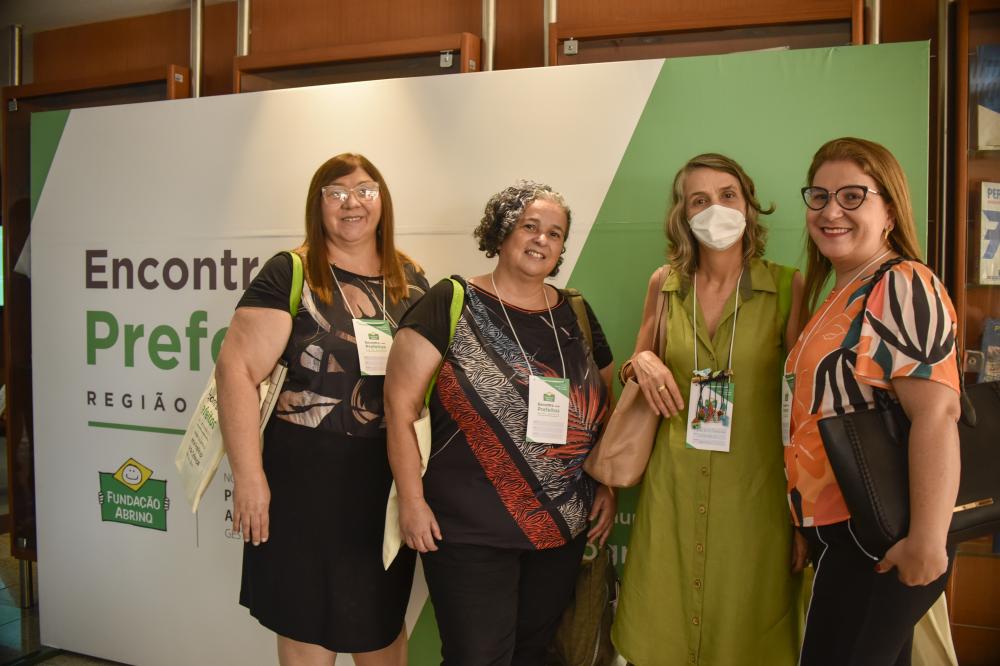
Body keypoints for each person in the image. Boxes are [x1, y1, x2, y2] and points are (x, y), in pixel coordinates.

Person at [384, 180, 616, 665]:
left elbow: (605, 404)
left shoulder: (574, 311)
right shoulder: (452, 301)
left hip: (560, 529)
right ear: (502, 232)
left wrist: (606, 484)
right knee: (477, 657)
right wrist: (411, 500)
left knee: (533, 654)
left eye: (555, 233)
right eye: (530, 226)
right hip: (468, 530)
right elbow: (400, 407)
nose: (541, 240)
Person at [216, 153, 428, 665]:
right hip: (302, 481)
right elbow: (235, 371)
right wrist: (248, 477)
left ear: (382, 200)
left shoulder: (412, 278)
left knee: (379, 625)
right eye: (336, 193)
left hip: (384, 479)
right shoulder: (292, 271)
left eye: (365, 190)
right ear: (318, 205)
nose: (352, 203)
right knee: (304, 622)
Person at [612, 153, 808, 666]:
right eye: (699, 199)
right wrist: (642, 362)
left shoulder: (787, 287)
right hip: (672, 490)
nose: (715, 208)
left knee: (748, 636)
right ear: (683, 213)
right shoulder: (665, 283)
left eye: (727, 195)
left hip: (756, 497)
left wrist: (802, 516)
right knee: (663, 633)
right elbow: (631, 369)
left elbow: (803, 408)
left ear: (748, 206)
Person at [786, 137, 961, 666]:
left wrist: (927, 539)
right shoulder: (842, 291)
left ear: (889, 211)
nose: (830, 211)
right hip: (847, 532)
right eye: (819, 196)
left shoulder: (901, 283)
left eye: (852, 196)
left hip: (883, 532)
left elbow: (936, 412)